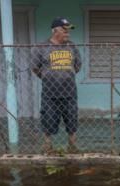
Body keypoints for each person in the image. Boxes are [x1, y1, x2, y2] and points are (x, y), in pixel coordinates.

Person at [32, 17, 82, 154]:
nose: (68, 34)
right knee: (48, 118)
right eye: (65, 30)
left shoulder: (72, 46)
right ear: (55, 31)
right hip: (50, 92)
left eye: (68, 31)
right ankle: (48, 146)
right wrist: (48, 77)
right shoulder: (42, 47)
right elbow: (35, 67)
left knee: (72, 119)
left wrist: (65, 74)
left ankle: (72, 145)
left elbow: (78, 66)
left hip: (70, 91)